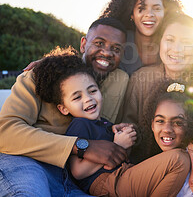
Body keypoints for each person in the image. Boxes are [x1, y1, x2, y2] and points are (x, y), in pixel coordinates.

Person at [33, 48, 190, 196]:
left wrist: (126, 139)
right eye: (77, 97)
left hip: (122, 175)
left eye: (92, 91)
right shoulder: (80, 124)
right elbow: (77, 171)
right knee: (178, 159)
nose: (88, 99)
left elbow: (118, 157)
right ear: (64, 109)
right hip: (105, 183)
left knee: (179, 159)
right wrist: (117, 146)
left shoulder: (106, 124)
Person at [0, 18, 130, 196]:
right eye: (99, 43)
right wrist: (80, 146)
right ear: (83, 44)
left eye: (116, 49)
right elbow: (5, 132)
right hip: (27, 162)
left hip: (74, 177)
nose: (107, 53)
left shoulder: (118, 81)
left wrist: (119, 130)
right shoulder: (38, 76)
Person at [118, 13, 193, 151]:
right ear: (160, 42)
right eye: (170, 40)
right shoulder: (141, 79)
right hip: (146, 164)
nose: (177, 49)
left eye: (187, 43)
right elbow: (128, 131)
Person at [100, 0, 183, 75]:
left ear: (165, 13)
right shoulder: (119, 41)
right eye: (142, 8)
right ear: (132, 14)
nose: (149, 14)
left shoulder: (172, 45)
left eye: (157, 9)